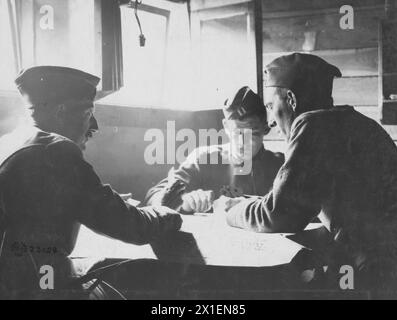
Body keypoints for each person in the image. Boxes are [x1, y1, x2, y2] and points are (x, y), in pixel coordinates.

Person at [0, 66, 182, 299]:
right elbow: (129, 225)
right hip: (32, 287)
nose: (94, 125)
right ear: (60, 112)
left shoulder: (13, 140)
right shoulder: (55, 150)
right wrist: (165, 212)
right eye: (88, 113)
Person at [222, 53, 397, 295]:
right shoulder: (357, 123)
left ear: (291, 99)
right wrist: (253, 203)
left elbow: (281, 215)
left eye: (271, 107)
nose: (271, 121)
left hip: (376, 269)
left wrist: (232, 211)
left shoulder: (312, 124)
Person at [145, 86, 284, 214]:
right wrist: (183, 201)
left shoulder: (281, 166)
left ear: (265, 129)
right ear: (226, 126)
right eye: (237, 132)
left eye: (252, 134)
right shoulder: (204, 159)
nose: (242, 143)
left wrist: (248, 206)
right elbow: (155, 196)